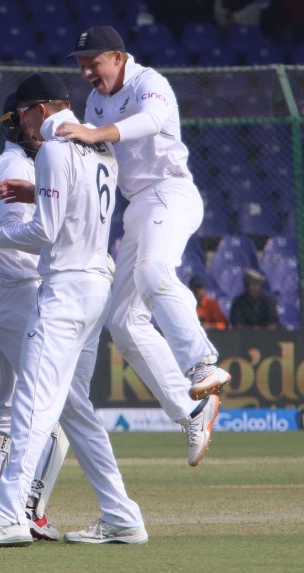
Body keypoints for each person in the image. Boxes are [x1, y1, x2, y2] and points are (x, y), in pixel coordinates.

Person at [0, 73, 146, 547]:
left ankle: (11, 515)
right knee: (75, 410)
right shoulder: (100, 150)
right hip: (94, 283)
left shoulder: (54, 150)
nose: (23, 125)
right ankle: (121, 515)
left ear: (38, 109)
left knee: (33, 404)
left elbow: (42, 234)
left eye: (23, 115)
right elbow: (74, 213)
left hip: (59, 288)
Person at [56, 26, 228, 467]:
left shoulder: (150, 83)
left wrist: (97, 133)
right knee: (124, 322)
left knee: (153, 273)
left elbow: (150, 123)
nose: (86, 71)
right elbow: (94, 159)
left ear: (118, 56)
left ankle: (202, 365)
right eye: (81, 64)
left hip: (170, 194)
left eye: (93, 61)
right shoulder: (95, 101)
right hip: (137, 208)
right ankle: (191, 411)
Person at [0, 91, 65, 542]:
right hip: (15, 293)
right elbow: (16, 238)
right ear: (26, 118)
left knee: (6, 408)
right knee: (51, 413)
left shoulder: (15, 164)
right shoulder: (16, 167)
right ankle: (27, 510)